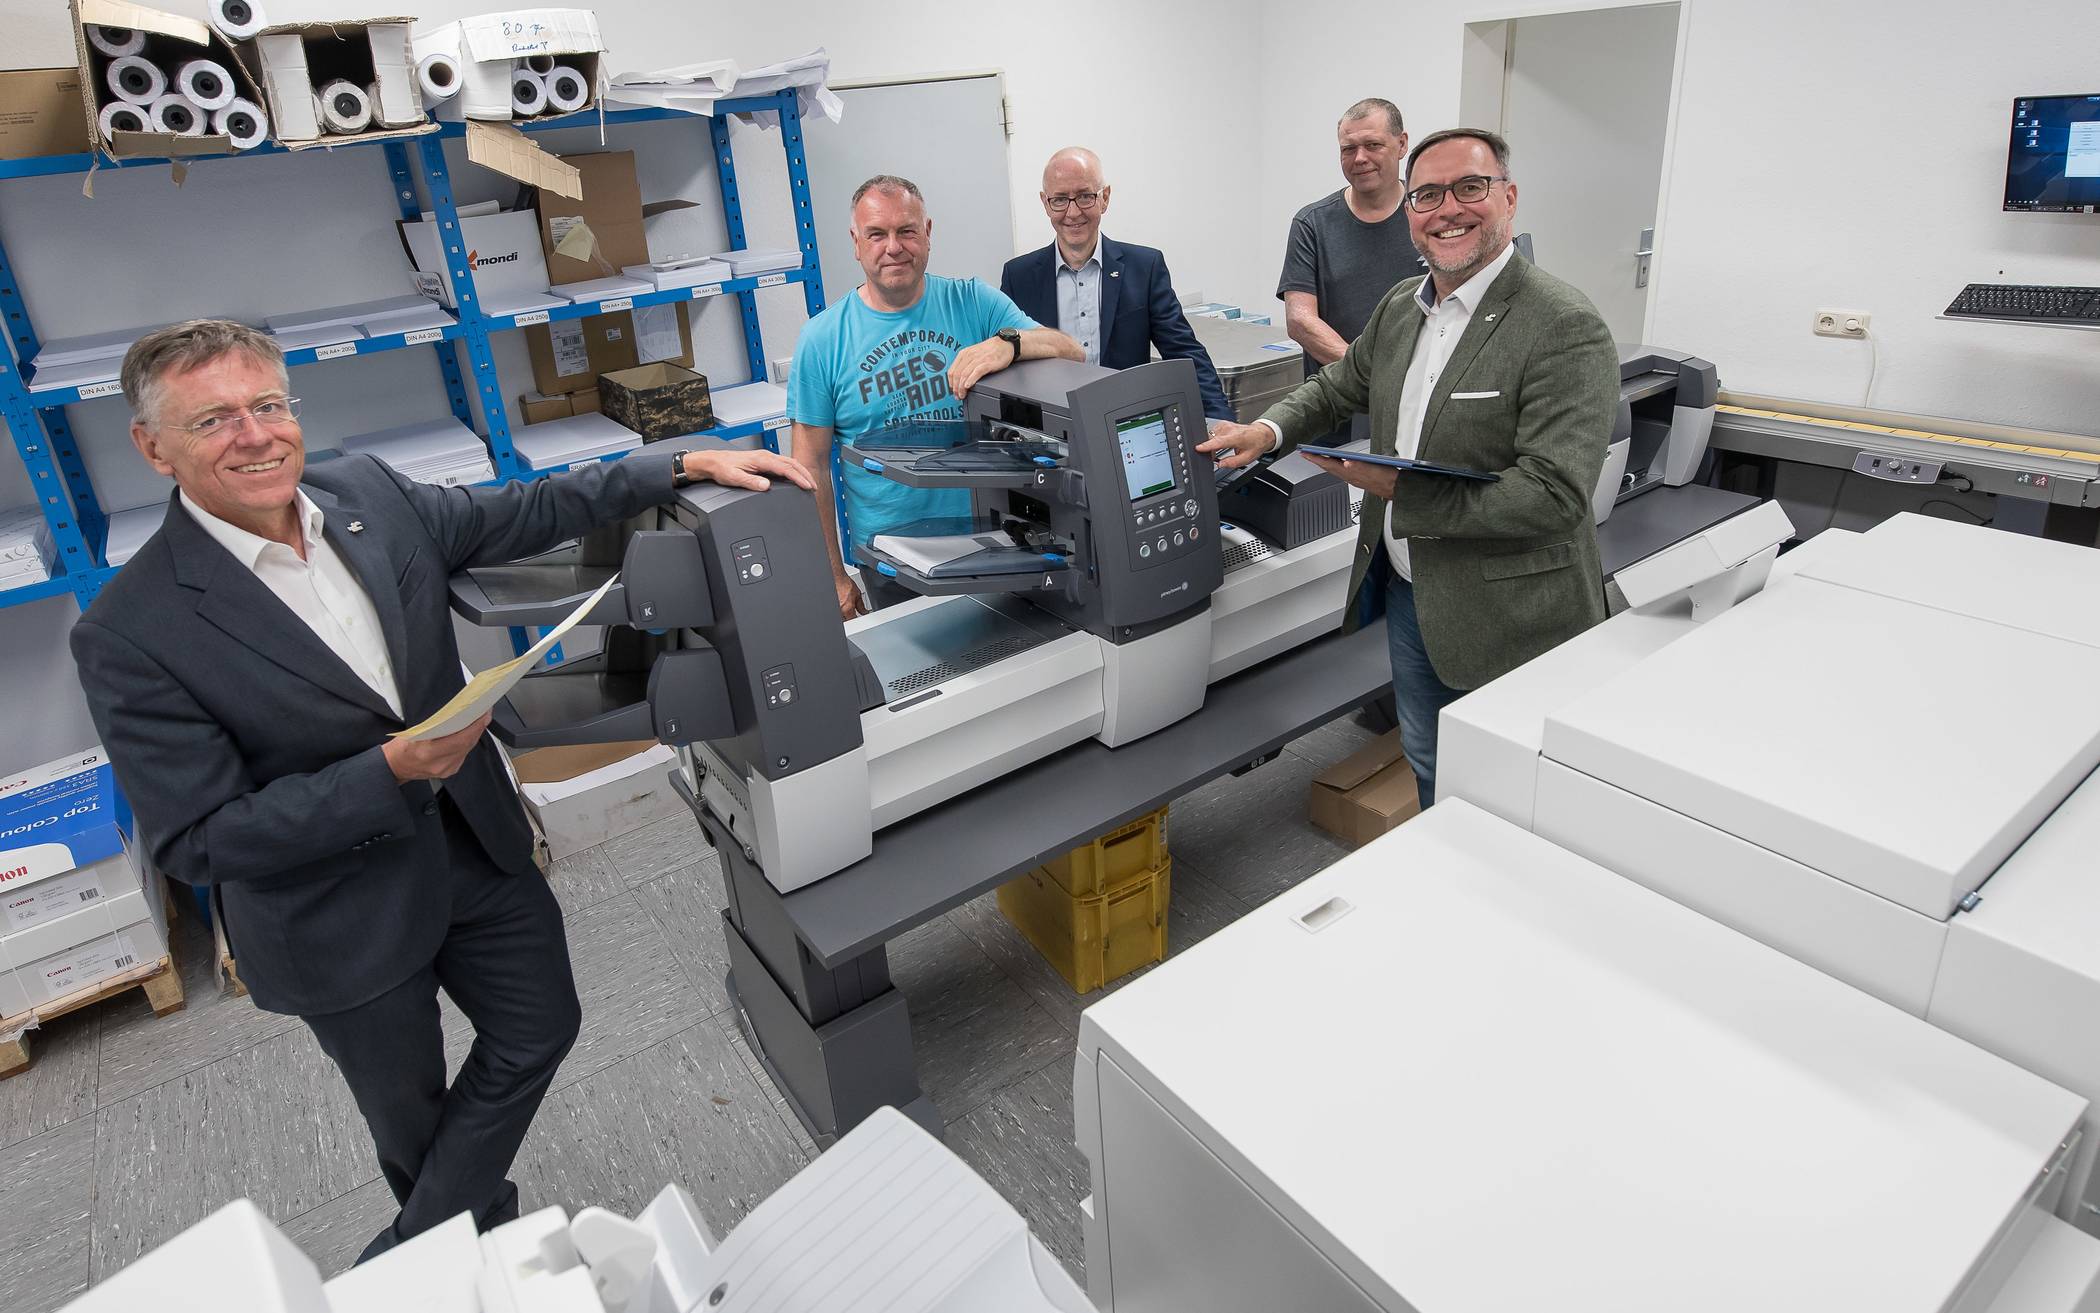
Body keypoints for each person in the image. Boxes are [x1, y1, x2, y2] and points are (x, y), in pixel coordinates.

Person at [69, 320, 813, 1263]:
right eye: (213, 420)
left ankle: (410, 1252)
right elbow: (201, 838)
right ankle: (464, 1254)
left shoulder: (365, 494)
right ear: (153, 448)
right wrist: (387, 772)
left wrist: (673, 466)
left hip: (471, 841)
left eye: (267, 405)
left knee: (542, 1024)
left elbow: (521, 509)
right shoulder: (131, 630)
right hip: (336, 912)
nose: (255, 436)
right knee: (413, 1123)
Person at [1201, 128, 1618, 811]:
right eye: (1427, 195)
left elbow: (1554, 495)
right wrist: (1266, 430)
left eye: (1469, 188)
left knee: (1512, 790)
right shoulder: (1403, 306)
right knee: (1428, 759)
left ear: (1509, 198)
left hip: (1511, 612)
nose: (1447, 209)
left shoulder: (1562, 323)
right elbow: (1338, 387)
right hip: (1411, 591)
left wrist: (1404, 494)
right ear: (1409, 212)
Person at [789, 174, 1084, 618]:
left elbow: (1071, 352)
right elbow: (808, 469)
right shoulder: (822, 340)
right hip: (892, 561)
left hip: (994, 545)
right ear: (856, 242)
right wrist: (832, 576)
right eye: (877, 234)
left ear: (927, 233)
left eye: (907, 231)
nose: (894, 247)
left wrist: (1009, 343)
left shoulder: (973, 302)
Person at [999, 147, 1231, 421]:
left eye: (1085, 196)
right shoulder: (1019, 277)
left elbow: (1184, 352)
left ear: (1104, 198)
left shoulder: (1144, 268)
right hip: (1052, 427)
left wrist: (1221, 421)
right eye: (1059, 199)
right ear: (1045, 203)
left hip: (1127, 425)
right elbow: (1007, 364)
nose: (1072, 212)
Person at [1277, 98, 1429, 389]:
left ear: (1402, 144)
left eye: (1373, 145)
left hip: (1417, 393)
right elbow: (1300, 321)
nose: (1360, 158)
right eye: (1348, 149)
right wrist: (1369, 376)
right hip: (1337, 401)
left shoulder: (1430, 216)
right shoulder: (1312, 224)